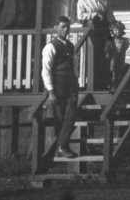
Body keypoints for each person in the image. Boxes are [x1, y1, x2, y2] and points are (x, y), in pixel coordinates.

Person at [41, 16, 78, 159]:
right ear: (56, 27)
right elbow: (46, 70)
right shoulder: (50, 47)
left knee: (72, 114)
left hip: (71, 84)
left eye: (67, 27)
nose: (65, 29)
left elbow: (75, 63)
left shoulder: (70, 45)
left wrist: (75, 78)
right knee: (60, 117)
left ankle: (62, 146)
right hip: (58, 84)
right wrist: (51, 91)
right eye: (62, 27)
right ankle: (61, 147)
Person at [76, 0, 115, 90]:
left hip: (105, 29)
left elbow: (109, 13)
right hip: (92, 30)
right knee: (94, 55)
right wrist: (93, 15)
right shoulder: (82, 0)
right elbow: (80, 16)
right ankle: (95, 83)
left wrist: (113, 24)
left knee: (107, 54)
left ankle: (107, 82)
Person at [105, 21, 130, 92]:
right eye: (115, 30)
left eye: (119, 30)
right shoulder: (111, 39)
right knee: (113, 69)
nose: (118, 32)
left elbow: (127, 46)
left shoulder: (124, 40)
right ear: (113, 31)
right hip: (112, 58)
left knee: (120, 71)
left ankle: (121, 86)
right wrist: (108, 53)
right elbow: (107, 47)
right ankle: (113, 85)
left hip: (121, 58)